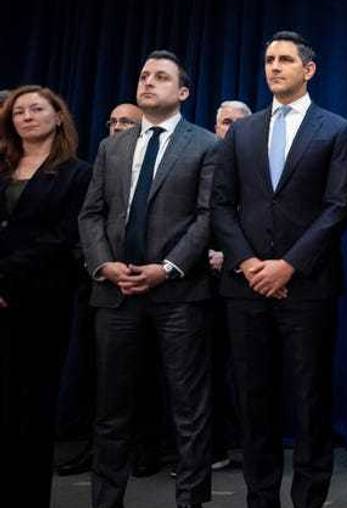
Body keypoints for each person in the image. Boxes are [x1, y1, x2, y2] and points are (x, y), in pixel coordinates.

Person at [212, 32, 347, 508]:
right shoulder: (245, 131)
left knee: (310, 401)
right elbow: (220, 206)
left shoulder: (335, 129)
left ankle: (309, 499)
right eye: (269, 59)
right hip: (246, 287)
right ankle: (261, 498)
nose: (274, 67)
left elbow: (339, 208)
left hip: (308, 288)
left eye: (285, 60)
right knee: (254, 403)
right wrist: (252, 263)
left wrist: (288, 265)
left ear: (308, 69)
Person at [79, 50, 218, 508]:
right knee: (111, 411)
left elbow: (207, 217)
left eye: (160, 77)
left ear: (182, 92)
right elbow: (92, 213)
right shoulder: (111, 146)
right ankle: (106, 500)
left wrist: (167, 268)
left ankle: (190, 500)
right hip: (115, 292)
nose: (148, 83)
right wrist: (103, 264)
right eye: (143, 75)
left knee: (188, 410)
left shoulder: (205, 145)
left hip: (178, 293)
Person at [57, 100, 160, 479]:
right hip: (98, 282)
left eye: (127, 122)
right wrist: (101, 263)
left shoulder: (164, 158)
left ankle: (146, 446)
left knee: (148, 372)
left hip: (151, 281)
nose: (118, 128)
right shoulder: (102, 161)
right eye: (113, 121)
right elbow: (88, 218)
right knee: (95, 372)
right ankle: (96, 450)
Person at [0, 86, 91, 506]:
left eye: (37, 108)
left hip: (39, 301)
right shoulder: (2, 167)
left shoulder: (76, 173)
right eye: (18, 111)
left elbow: (62, 238)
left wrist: (7, 278)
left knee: (29, 405)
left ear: (58, 116)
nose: (27, 116)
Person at [204, 99, 251, 475]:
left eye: (238, 122)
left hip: (249, 279)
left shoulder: (258, 163)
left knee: (246, 371)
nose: (230, 128)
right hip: (199, 284)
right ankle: (213, 446)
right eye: (224, 122)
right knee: (206, 371)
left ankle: (248, 445)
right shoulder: (203, 158)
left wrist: (234, 256)